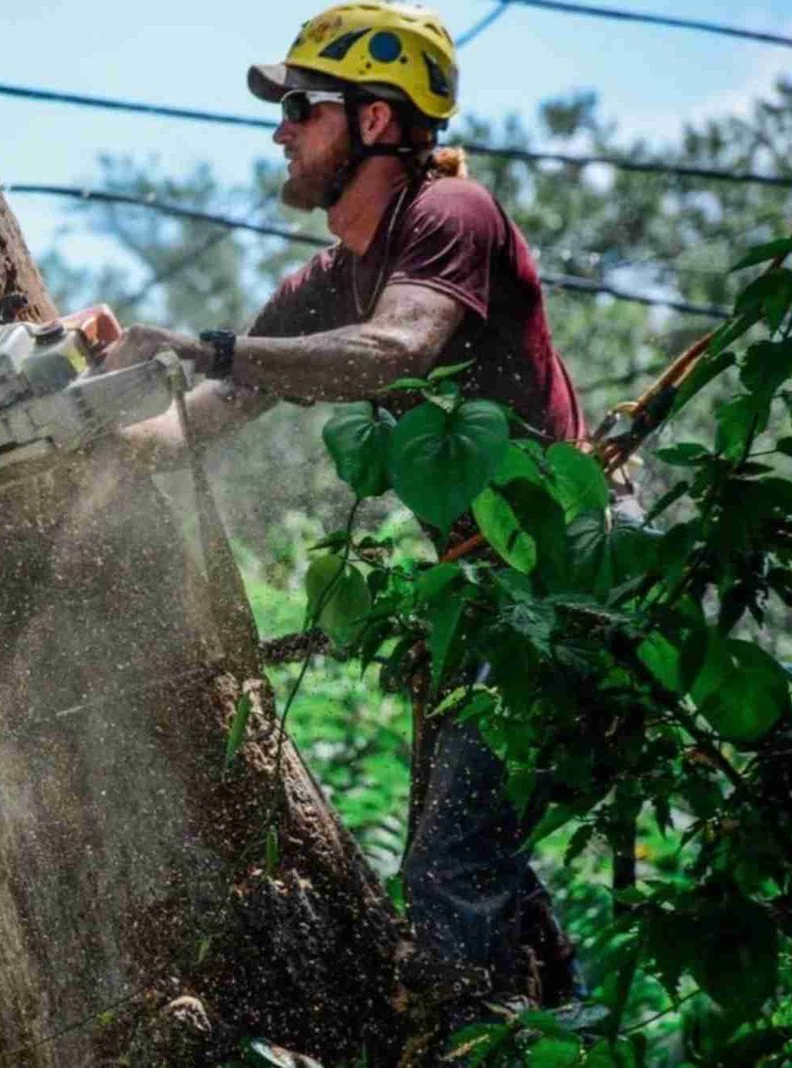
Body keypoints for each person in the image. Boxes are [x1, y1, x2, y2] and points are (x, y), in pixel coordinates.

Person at [102, 0, 584, 1021]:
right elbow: (197, 421)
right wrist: (80, 403)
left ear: (375, 123)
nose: (279, 129)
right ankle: (551, 1022)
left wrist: (209, 345)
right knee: (465, 854)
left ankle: (476, 1040)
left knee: (451, 867)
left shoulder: (450, 218)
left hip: (561, 567)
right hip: (482, 588)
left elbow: (394, 348)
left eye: (300, 108)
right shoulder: (329, 279)